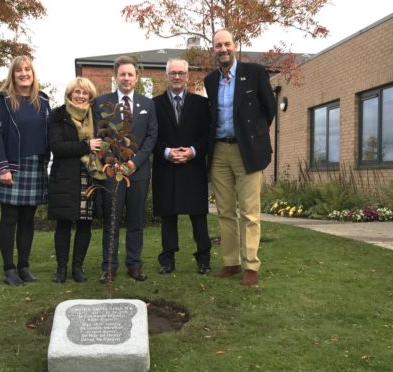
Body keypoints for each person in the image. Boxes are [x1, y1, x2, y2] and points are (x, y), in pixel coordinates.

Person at [203, 29, 276, 286]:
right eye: (217, 45)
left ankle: (251, 266)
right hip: (219, 151)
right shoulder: (210, 81)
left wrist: (254, 136)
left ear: (235, 46)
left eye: (226, 44)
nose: (222, 49)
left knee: (249, 212)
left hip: (248, 150)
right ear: (213, 49)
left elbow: (269, 109)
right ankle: (231, 263)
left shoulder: (254, 73)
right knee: (225, 211)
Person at [94, 55, 158, 283]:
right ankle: (108, 266)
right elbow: (100, 135)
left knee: (135, 221)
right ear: (115, 76)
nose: (126, 78)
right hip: (112, 173)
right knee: (111, 221)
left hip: (138, 173)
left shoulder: (147, 104)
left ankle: (134, 265)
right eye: (122, 74)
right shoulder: (102, 103)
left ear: (136, 77)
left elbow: (152, 137)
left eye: (130, 74)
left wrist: (133, 162)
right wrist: (114, 161)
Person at [0, 55, 50, 286]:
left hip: (36, 164)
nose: (24, 73)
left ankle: (24, 267)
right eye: (19, 70)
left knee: (27, 219)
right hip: (12, 165)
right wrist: (2, 167)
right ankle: (8, 269)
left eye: (28, 70)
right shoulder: (2, 100)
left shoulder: (42, 100)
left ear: (33, 74)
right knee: (10, 217)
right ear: (12, 74)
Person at [152, 58, 212, 275]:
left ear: (188, 76)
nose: (177, 77)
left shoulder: (201, 104)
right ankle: (167, 260)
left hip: (192, 167)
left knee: (198, 216)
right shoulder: (154, 104)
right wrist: (167, 153)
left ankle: (203, 259)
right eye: (173, 73)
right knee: (168, 215)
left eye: (181, 73)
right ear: (166, 76)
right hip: (165, 167)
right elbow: (151, 137)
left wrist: (193, 151)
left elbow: (208, 136)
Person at [47, 77, 105, 284]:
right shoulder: (57, 115)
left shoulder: (96, 117)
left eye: (85, 93)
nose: (81, 96)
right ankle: (61, 269)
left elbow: (104, 145)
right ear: (70, 94)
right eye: (77, 92)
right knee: (63, 225)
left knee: (85, 225)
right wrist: (86, 145)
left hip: (89, 176)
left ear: (90, 96)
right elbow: (57, 147)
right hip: (65, 176)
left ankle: (77, 268)